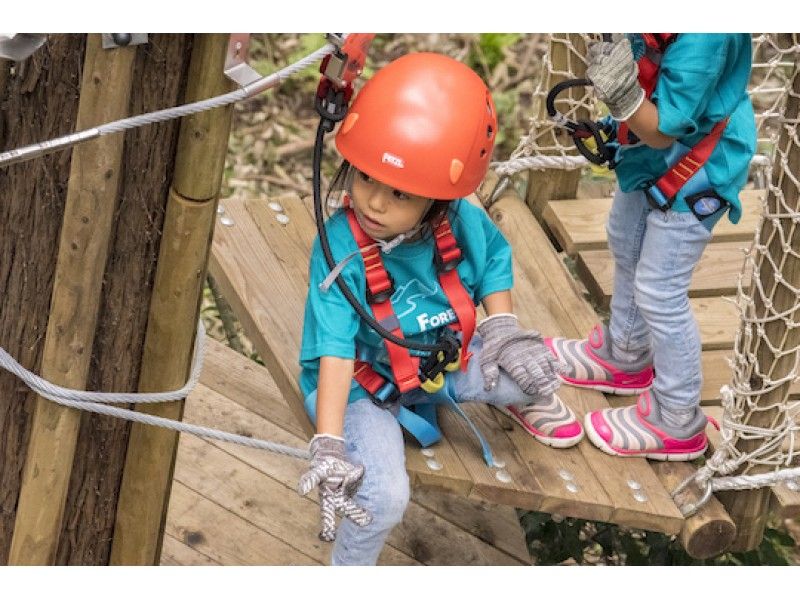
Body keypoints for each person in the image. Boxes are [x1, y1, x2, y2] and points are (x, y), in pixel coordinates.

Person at [297, 52, 584, 565]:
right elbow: (337, 352)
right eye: (365, 179)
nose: (374, 203)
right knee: (383, 498)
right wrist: (329, 441)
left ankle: (517, 397)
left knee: (538, 371)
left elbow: (495, 259)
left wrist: (501, 328)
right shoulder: (339, 248)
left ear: (436, 199)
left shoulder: (458, 222)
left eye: (399, 192)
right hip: (365, 387)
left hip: (440, 366)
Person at [546, 34, 756, 459]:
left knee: (660, 291)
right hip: (652, 156)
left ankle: (677, 417)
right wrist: (613, 124)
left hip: (700, 170)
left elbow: (662, 130)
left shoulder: (707, 34)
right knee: (624, 240)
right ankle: (625, 353)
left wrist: (623, 96)